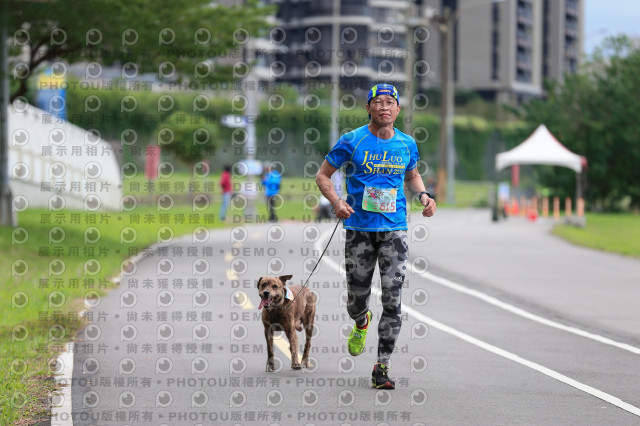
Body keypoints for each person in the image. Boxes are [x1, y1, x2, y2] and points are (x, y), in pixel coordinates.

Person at [315, 83, 436, 389]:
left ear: (398, 110)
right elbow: (323, 175)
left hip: (395, 229)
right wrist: (336, 201)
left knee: (393, 298)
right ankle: (360, 320)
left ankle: (381, 366)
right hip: (359, 230)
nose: (384, 107)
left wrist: (423, 195)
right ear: (368, 108)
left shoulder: (407, 144)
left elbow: (412, 174)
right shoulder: (352, 140)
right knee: (357, 298)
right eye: (377, 102)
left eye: (389, 103)